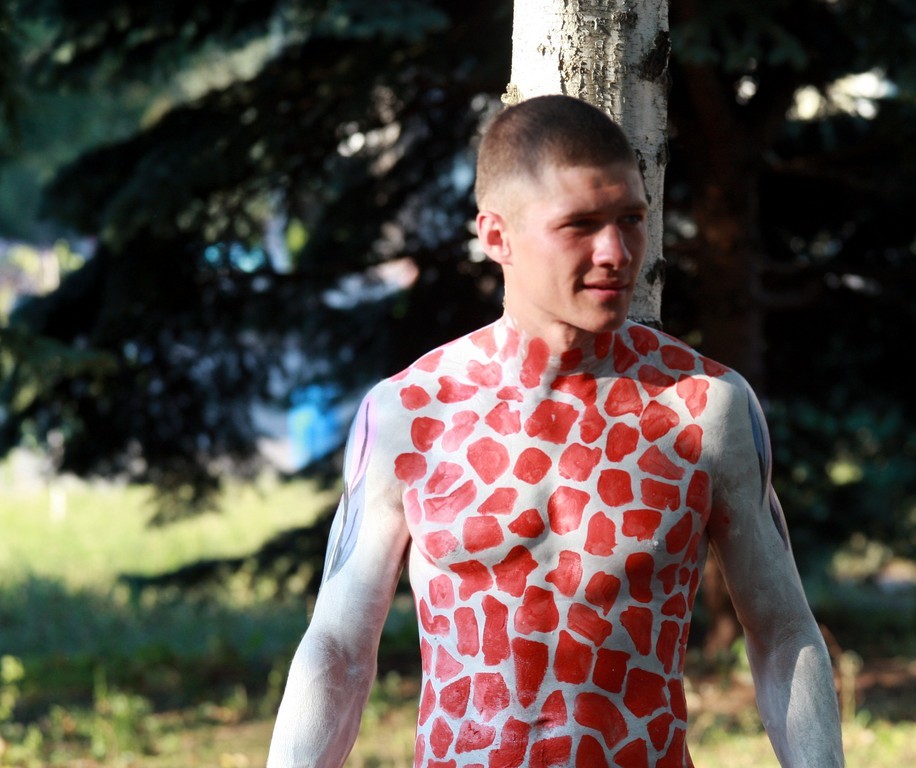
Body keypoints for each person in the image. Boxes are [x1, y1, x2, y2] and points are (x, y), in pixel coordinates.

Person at [267, 94, 844, 768]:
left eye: (631, 220)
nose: (616, 252)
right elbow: (337, 649)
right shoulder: (413, 413)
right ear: (497, 237)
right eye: (579, 225)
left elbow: (783, 635)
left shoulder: (702, 409)